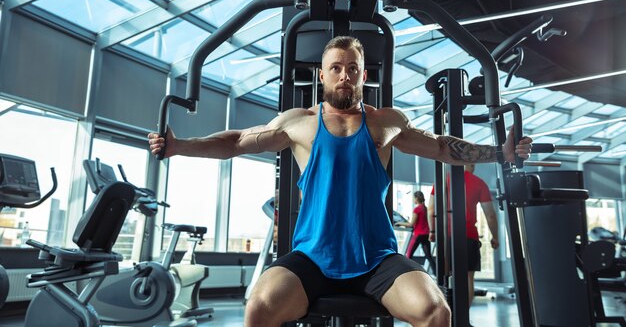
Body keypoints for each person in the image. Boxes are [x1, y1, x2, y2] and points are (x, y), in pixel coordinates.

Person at [148, 36, 532, 327]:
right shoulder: (298, 122)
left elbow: (442, 147)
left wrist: (501, 152)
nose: (344, 75)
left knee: (436, 311)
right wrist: (179, 145)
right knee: (259, 306)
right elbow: (235, 142)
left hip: (377, 260)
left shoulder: (386, 122)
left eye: (352, 68)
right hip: (313, 258)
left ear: (364, 75)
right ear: (322, 74)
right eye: (336, 67)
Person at [427, 164, 500, 307]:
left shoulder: (442, 181)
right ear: (472, 165)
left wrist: (433, 231)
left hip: (446, 237)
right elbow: (490, 215)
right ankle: (463, 319)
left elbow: (431, 210)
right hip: (468, 236)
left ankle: (445, 318)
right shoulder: (479, 183)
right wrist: (495, 237)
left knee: (443, 277)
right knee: (468, 279)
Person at [395, 191, 436, 273]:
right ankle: (438, 275)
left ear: (416, 198)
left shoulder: (417, 209)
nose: (413, 199)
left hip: (418, 235)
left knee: (408, 255)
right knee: (428, 256)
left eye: (414, 198)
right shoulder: (426, 209)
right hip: (426, 235)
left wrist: (399, 223)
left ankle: (406, 274)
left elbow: (411, 224)